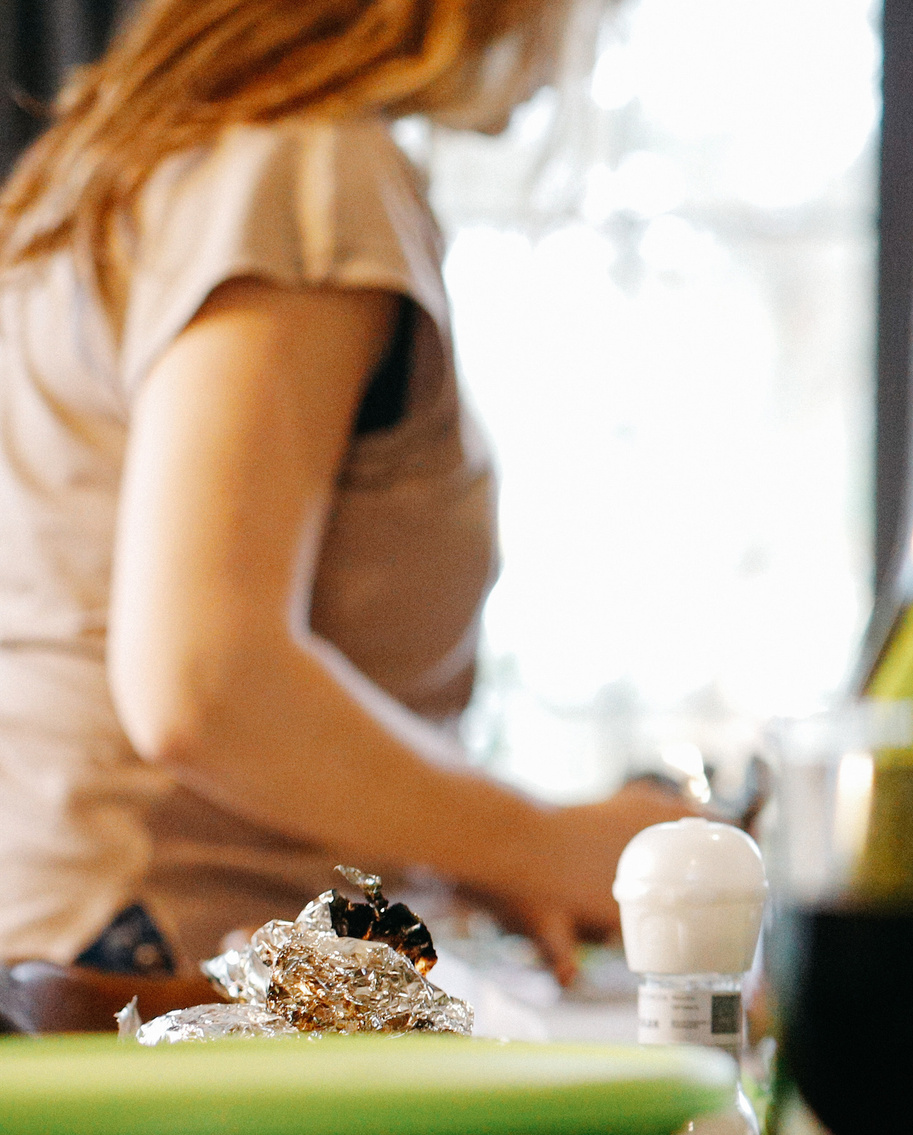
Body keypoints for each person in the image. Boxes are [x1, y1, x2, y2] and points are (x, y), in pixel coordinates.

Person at [0, 0, 691, 989]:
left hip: (67, 947)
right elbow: (207, 681)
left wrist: (470, 849)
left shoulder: (131, 161)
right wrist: (547, 844)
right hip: (171, 971)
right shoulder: (306, 170)